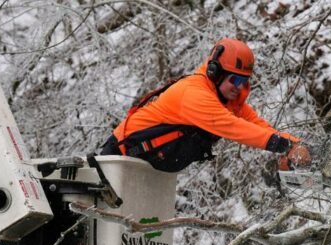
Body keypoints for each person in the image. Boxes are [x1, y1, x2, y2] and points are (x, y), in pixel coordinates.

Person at [101, 38, 310, 173]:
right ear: (215, 73)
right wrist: (284, 146)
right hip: (121, 156)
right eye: (235, 80)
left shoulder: (228, 100)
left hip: (149, 168)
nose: (239, 87)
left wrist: (297, 145)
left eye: (244, 81)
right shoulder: (194, 94)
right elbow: (232, 127)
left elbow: (257, 125)